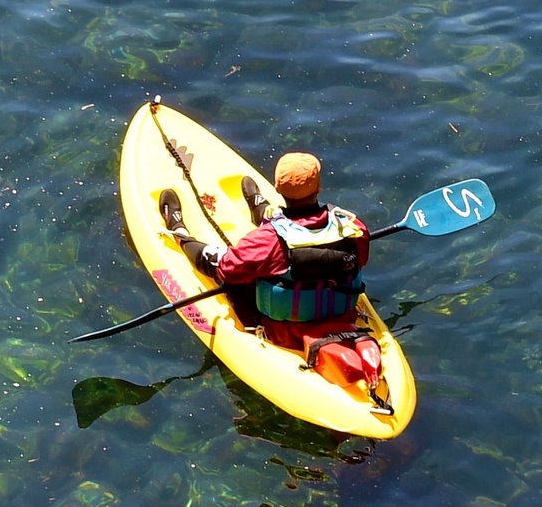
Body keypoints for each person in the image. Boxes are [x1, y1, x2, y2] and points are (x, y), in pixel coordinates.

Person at [163, 151, 386, 399]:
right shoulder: (352, 226)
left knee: (225, 268)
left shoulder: (266, 241)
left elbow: (226, 268)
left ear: (278, 188)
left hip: (285, 333)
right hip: (342, 314)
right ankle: (262, 211)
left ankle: (180, 233)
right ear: (319, 186)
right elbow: (361, 260)